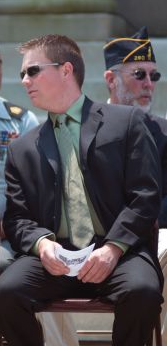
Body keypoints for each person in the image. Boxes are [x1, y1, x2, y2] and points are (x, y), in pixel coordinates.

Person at [0, 34, 163, 346]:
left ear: (66, 70)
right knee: (7, 293)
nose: (24, 80)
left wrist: (113, 249)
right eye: (22, 74)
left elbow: (145, 196)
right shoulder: (23, 148)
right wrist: (42, 245)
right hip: (54, 259)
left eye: (32, 71)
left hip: (119, 254)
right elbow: (16, 219)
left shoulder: (126, 123)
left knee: (143, 292)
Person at [0, 22, 78, 346]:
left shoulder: (20, 119)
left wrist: (11, 226)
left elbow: (45, 185)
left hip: (12, 235)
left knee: (28, 270)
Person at [103, 26, 167, 344]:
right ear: (111, 79)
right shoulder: (83, 126)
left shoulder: (164, 133)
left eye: (153, 76)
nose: (148, 84)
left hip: (154, 235)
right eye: (139, 74)